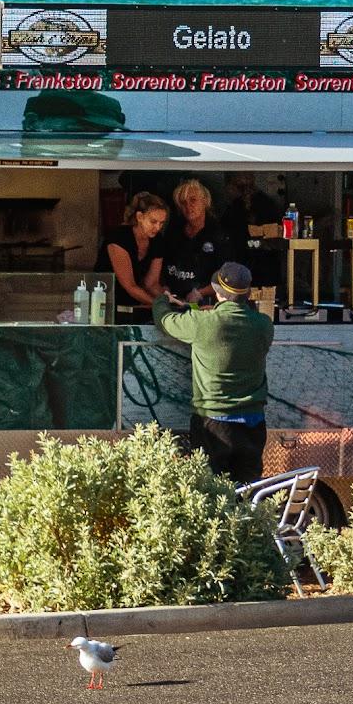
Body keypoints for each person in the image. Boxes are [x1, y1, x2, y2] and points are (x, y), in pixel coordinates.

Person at [152, 261, 274, 483]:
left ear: (217, 293)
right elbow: (240, 324)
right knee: (247, 494)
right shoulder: (264, 325)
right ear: (247, 292)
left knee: (212, 495)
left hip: (214, 423)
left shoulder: (203, 323)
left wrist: (163, 299)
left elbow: (164, 320)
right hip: (254, 424)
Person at [97, 191, 168, 320]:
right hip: (104, 303)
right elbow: (129, 286)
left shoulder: (157, 239)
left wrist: (172, 300)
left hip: (135, 305)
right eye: (153, 221)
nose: (157, 227)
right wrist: (161, 306)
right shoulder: (119, 238)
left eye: (162, 223)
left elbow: (151, 283)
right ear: (140, 217)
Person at [158, 179, 230, 303]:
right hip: (173, 302)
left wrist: (200, 293)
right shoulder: (173, 231)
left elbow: (227, 277)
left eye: (193, 200)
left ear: (205, 201)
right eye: (183, 202)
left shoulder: (218, 234)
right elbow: (161, 266)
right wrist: (163, 287)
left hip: (205, 304)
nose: (188, 206)